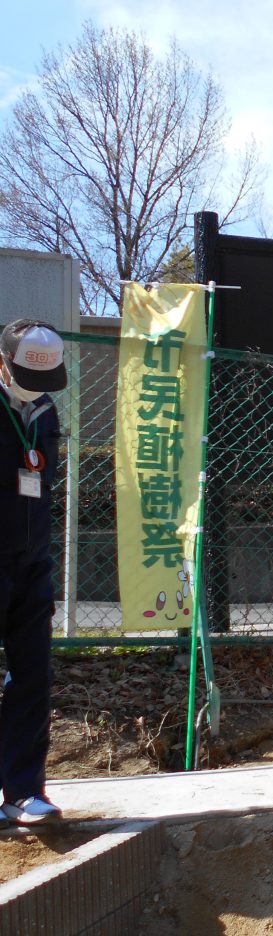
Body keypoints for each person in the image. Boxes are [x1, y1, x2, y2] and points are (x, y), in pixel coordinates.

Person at [0, 320, 67, 826]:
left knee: (32, 676)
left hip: (32, 562)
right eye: (27, 376)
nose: (35, 388)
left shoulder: (44, 410)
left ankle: (24, 792)